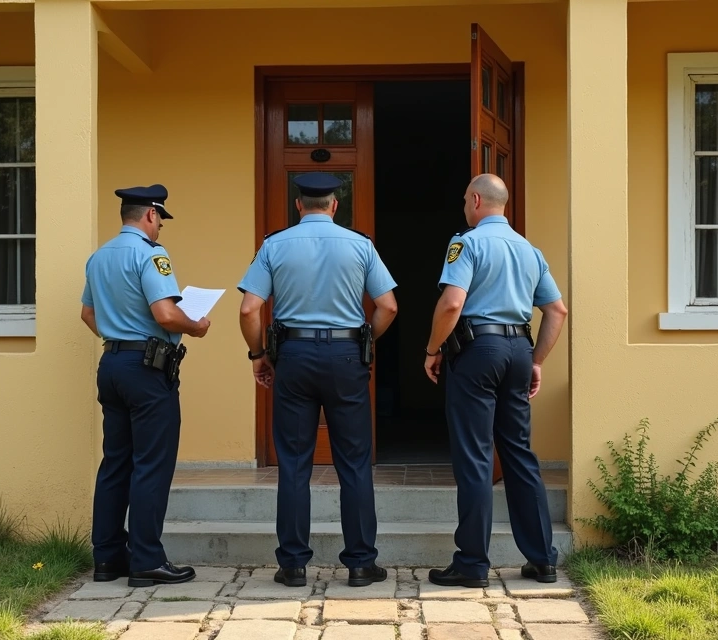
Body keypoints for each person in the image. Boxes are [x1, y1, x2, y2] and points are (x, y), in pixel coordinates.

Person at [236, 172, 399, 588]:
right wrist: (365, 339)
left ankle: (292, 565)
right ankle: (361, 563)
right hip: (347, 357)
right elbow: (388, 306)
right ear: (334, 204)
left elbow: (249, 309)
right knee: (355, 463)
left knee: (293, 464)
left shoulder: (274, 244)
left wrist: (259, 355)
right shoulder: (360, 245)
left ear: (298, 205)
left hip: (293, 356)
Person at [421, 173, 569, 587]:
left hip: (477, 352)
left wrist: (432, 350)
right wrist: (536, 360)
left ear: (474, 200)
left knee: (476, 456)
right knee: (519, 452)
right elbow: (557, 311)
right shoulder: (529, 250)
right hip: (519, 350)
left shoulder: (465, 243)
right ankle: (542, 559)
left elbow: (452, 304)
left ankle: (472, 564)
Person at [80, 184, 211, 587]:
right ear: (151, 215)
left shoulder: (99, 256)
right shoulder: (151, 255)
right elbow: (167, 315)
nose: (160, 231)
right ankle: (146, 561)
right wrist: (198, 325)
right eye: (160, 221)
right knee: (151, 464)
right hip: (147, 369)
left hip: (113, 363)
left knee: (115, 462)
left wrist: (121, 334)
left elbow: (87, 315)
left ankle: (107, 559)